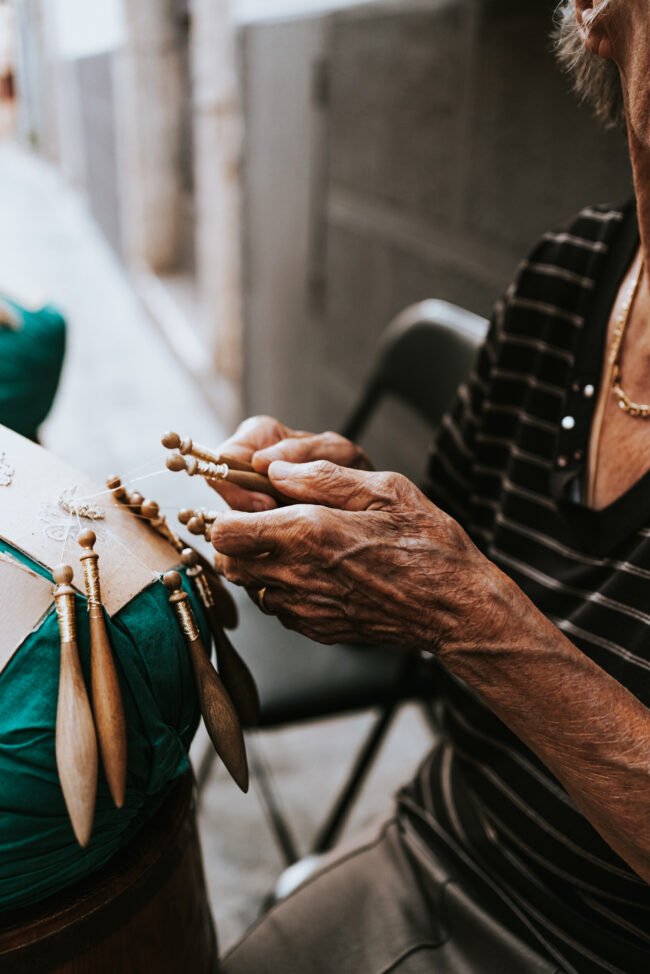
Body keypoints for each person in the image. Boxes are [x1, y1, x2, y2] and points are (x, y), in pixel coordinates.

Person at [214, 2, 650, 971]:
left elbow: (462, 597)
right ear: (595, 12)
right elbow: (448, 554)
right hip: (439, 842)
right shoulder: (561, 279)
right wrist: (338, 505)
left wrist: (465, 609)